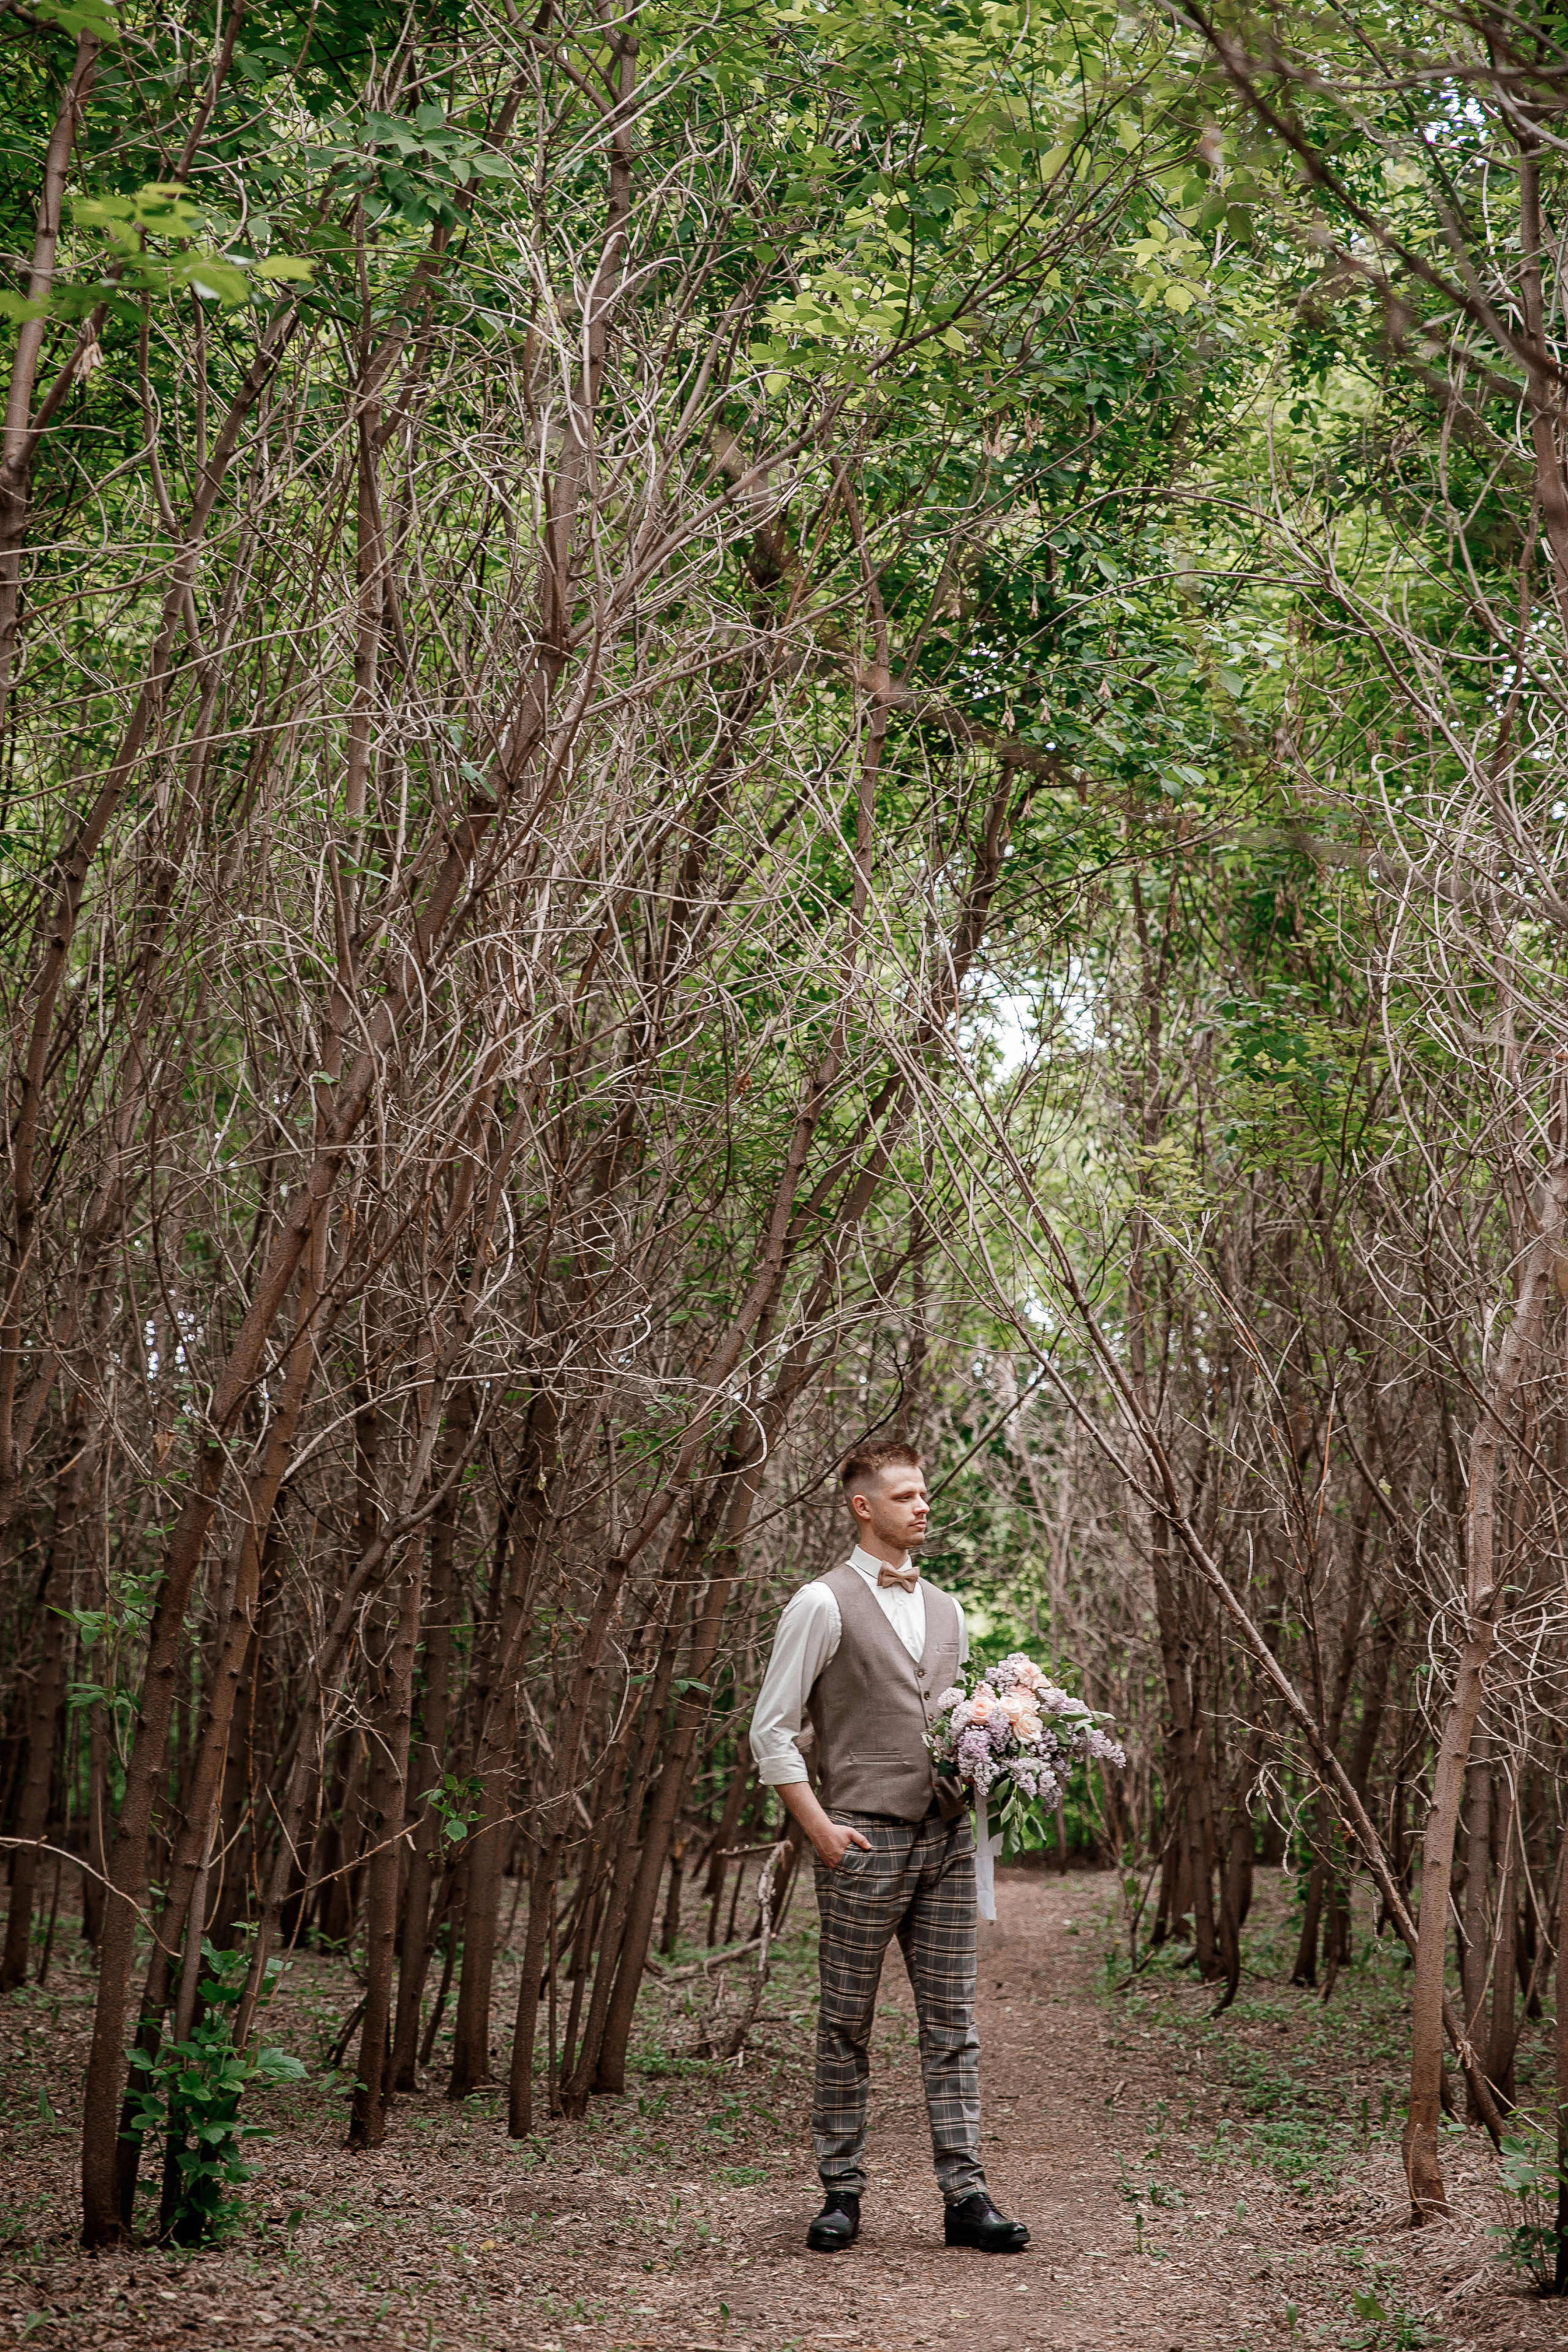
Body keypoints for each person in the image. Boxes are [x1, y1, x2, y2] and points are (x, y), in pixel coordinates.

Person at [747, 1439, 1030, 2256]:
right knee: (846, 2023)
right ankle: (841, 2192)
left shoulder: (949, 1610)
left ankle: (966, 2195)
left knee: (953, 2024)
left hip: (944, 1840)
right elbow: (770, 1730)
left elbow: (956, 1728)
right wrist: (820, 1830)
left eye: (925, 1494)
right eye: (905, 1496)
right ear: (861, 1506)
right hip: (861, 1845)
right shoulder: (821, 1604)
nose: (922, 1507)